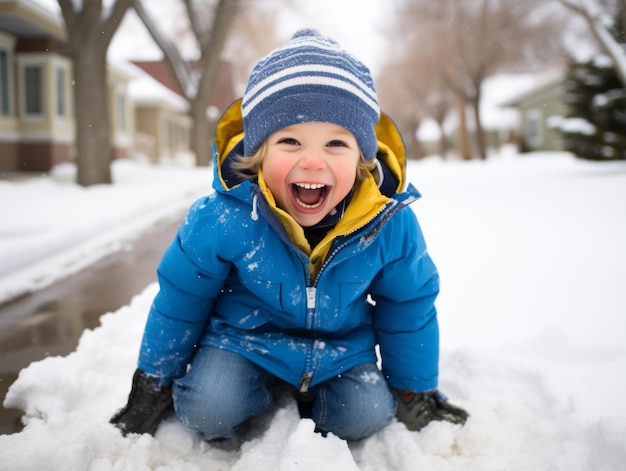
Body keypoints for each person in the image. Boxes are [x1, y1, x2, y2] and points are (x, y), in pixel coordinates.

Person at [110, 28, 468, 442]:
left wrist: (413, 387)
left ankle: (319, 396)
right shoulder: (223, 218)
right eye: (290, 141)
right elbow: (181, 299)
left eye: (336, 143)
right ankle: (256, 390)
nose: (313, 161)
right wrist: (155, 379)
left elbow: (408, 304)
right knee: (207, 411)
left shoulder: (387, 222)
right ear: (258, 154)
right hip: (244, 339)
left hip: (340, 350)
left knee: (365, 417)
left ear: (362, 159)